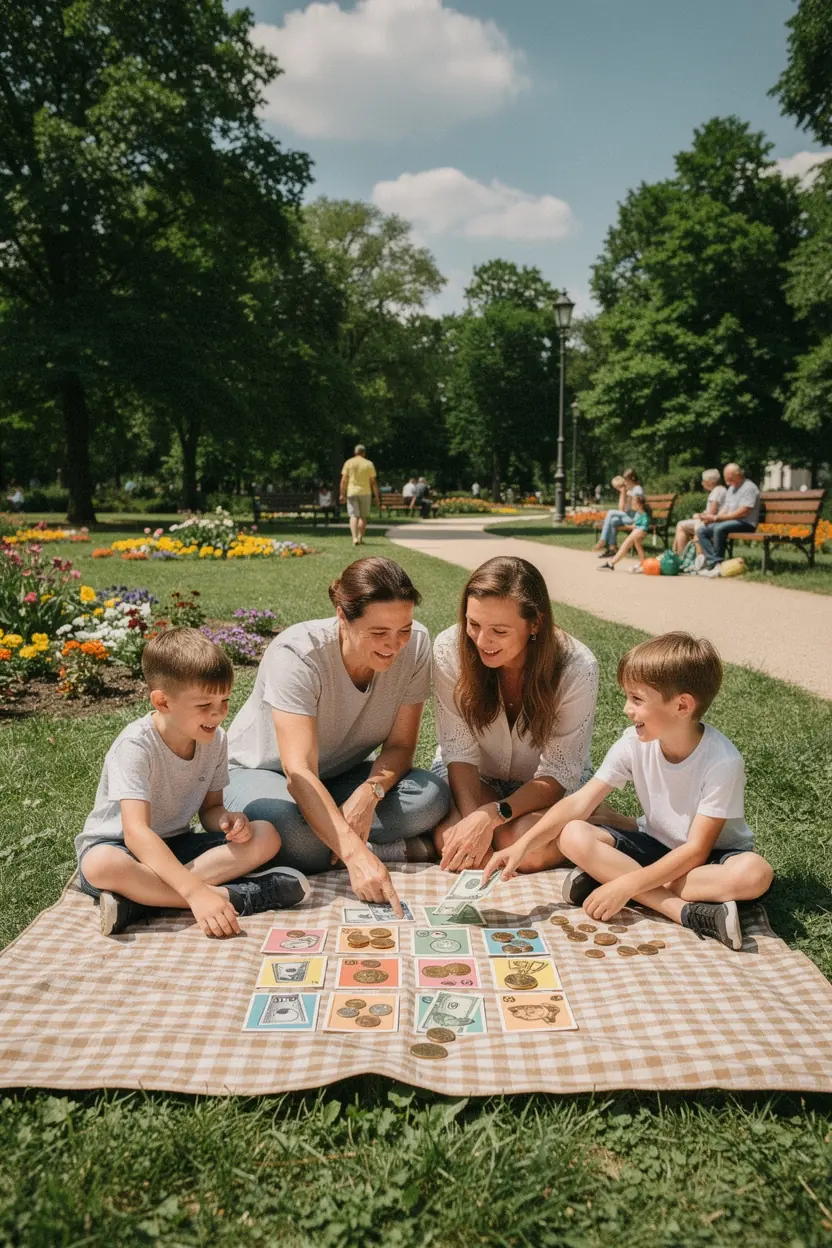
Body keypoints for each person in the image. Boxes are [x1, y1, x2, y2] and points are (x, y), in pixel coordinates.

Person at [484, 632, 773, 951]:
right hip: (656, 845)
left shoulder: (722, 762)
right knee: (573, 834)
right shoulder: (634, 742)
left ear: (682, 705)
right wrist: (522, 846)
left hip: (709, 860)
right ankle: (682, 911)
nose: (626, 708)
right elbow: (580, 802)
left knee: (755, 874)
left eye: (637, 699)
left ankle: (611, 875)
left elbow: (695, 851)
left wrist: (625, 883)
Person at [224, 557, 450, 914]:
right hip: (265, 774)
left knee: (431, 796)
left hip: (341, 776)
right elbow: (298, 771)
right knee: (290, 831)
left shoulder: (416, 645)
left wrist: (369, 793)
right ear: (343, 616)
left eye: (403, 629)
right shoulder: (297, 655)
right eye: (379, 633)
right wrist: (354, 854)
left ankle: (333, 842)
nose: (394, 645)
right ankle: (377, 849)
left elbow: (401, 746)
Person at [75, 629, 306, 938]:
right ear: (162, 701)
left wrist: (227, 820)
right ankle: (236, 897)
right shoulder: (135, 746)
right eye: (204, 704)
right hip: (122, 848)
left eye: (224, 700)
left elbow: (211, 809)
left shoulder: (215, 740)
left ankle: (137, 904)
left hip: (176, 845)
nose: (218, 713)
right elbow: (136, 833)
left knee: (265, 835)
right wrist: (196, 893)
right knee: (101, 864)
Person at [432, 556, 599, 874]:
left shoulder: (577, 667)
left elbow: (558, 773)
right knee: (453, 842)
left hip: (545, 784)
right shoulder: (448, 649)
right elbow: (459, 751)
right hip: (475, 777)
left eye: (499, 630)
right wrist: (474, 820)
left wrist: (492, 816)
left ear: (535, 623)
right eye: (473, 624)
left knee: (525, 850)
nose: (482, 641)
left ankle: (598, 816)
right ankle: (580, 819)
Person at [697, 464, 760, 577]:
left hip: (746, 523)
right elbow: (726, 508)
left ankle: (718, 564)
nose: (726, 482)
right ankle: (714, 564)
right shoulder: (732, 488)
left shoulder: (749, 488)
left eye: (729, 479)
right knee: (702, 531)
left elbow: (743, 512)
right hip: (731, 522)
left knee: (719, 528)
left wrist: (717, 519)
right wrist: (714, 518)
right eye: (725, 479)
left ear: (738, 475)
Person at [673, 470, 727, 556]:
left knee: (681, 525)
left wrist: (699, 516)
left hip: (712, 523)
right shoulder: (721, 490)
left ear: (710, 482)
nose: (702, 483)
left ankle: (680, 556)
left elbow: (711, 514)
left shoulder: (716, 492)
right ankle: (678, 554)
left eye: (703, 481)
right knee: (682, 525)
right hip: (715, 522)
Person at [592, 470, 645, 557]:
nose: (625, 483)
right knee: (613, 520)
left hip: (636, 517)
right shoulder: (629, 490)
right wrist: (623, 492)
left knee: (610, 512)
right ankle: (612, 548)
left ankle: (602, 540)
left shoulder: (637, 489)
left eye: (626, 481)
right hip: (629, 515)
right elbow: (621, 509)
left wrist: (630, 494)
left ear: (631, 479)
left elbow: (638, 505)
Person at [339, 444, 381, 546]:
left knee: (353, 516)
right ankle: (360, 538)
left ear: (355, 452)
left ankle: (354, 538)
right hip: (365, 492)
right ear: (364, 453)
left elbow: (344, 480)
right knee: (362, 517)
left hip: (352, 492)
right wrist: (376, 496)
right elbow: (373, 481)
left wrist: (342, 494)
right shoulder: (369, 464)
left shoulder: (349, 462)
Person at [598, 493, 651, 571]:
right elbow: (635, 525)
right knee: (635, 545)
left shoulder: (642, 514)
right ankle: (643, 564)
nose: (632, 503)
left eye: (633, 501)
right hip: (639, 530)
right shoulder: (638, 513)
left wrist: (622, 527)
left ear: (639, 504)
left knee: (626, 544)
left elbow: (639, 527)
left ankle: (611, 564)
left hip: (640, 530)